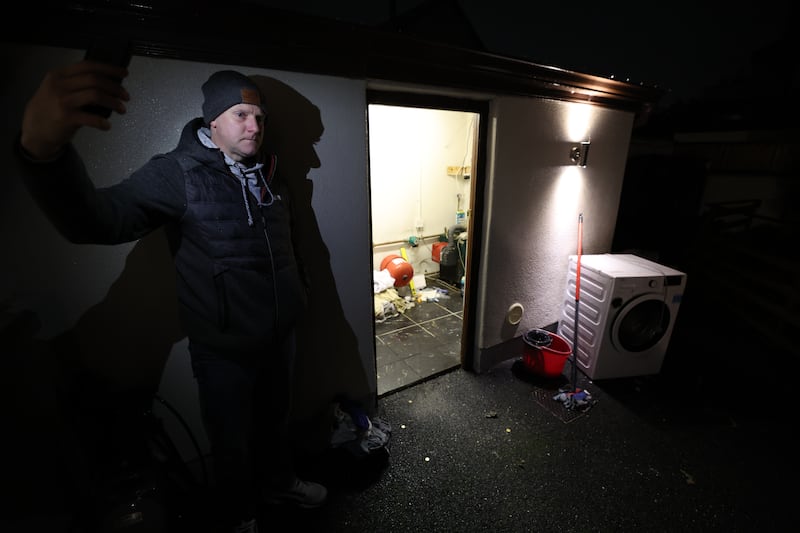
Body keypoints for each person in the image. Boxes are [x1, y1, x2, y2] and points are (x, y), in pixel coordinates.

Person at [14, 59, 327, 532]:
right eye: (241, 115)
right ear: (213, 121)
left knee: (274, 424)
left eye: (260, 117)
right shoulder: (177, 173)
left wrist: (299, 293)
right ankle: (240, 516)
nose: (255, 125)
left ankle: (279, 482)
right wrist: (44, 153)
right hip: (223, 348)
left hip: (280, 335)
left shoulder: (272, 173)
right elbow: (98, 219)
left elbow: (290, 245)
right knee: (232, 444)